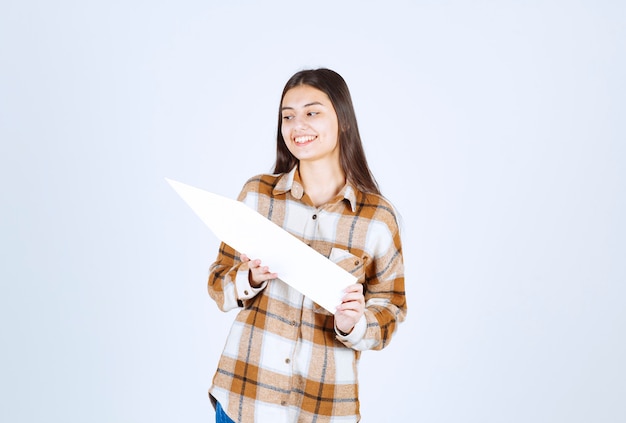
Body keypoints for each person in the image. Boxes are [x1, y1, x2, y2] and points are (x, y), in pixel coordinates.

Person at [207, 68, 406, 423]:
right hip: (244, 399)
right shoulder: (257, 197)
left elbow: (391, 308)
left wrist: (355, 324)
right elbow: (219, 286)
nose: (298, 125)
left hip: (324, 410)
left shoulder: (377, 218)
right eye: (288, 116)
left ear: (343, 120)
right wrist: (248, 279)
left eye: (312, 112)